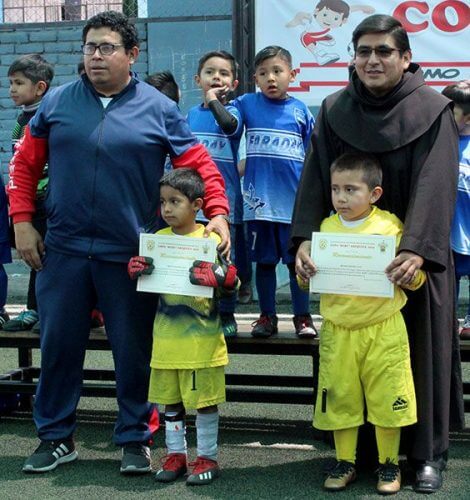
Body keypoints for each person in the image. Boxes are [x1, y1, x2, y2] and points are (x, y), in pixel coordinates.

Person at [7, 10, 230, 475]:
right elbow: (24, 166)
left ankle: (135, 438)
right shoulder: (57, 104)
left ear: (132, 54)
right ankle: (55, 437)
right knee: (58, 348)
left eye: (107, 47)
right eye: (90, 47)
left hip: (131, 258)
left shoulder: (159, 108)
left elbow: (200, 168)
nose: (96, 56)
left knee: (134, 354)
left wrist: (219, 214)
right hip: (63, 252)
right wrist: (22, 222)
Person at [292, 14, 464, 493]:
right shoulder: (333, 109)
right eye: (363, 50)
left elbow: (437, 184)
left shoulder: (434, 110)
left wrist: (415, 249)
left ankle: (426, 455)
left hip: (413, 262)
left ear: (405, 58)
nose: (372, 60)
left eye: (384, 51)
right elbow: (315, 178)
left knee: (422, 353)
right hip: (352, 269)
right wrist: (306, 237)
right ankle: (360, 454)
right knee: (351, 359)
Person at [301, 152, 425, 494]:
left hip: (383, 327)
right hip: (338, 329)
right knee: (340, 396)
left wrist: (408, 274)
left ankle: (389, 464)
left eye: (351, 190)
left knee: (389, 396)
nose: (341, 197)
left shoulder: (391, 227)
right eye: (335, 189)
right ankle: (345, 461)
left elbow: (418, 280)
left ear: (374, 194)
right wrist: (304, 272)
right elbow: (310, 279)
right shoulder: (325, 229)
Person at [128, 168, 238, 485]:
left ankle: (207, 457)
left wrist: (219, 278)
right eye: (163, 202)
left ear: (198, 205)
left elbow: (235, 282)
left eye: (175, 201)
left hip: (202, 342)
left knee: (204, 403)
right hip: (165, 340)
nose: (167, 209)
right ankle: (176, 455)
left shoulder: (211, 239)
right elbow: (146, 283)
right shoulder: (155, 241)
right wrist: (135, 269)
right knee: (171, 403)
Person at [232, 45, 316, 338]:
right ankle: (267, 316)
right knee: (264, 264)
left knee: (298, 265)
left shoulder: (301, 111)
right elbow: (228, 125)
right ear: (254, 78)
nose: (271, 78)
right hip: (259, 207)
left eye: (277, 71)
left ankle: (302, 318)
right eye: (263, 73)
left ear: (292, 75)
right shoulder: (245, 104)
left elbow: (313, 157)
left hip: (294, 209)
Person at [187, 50, 245, 337]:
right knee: (198, 258)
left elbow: (229, 127)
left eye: (223, 73)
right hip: (193, 204)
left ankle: (227, 312)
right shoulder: (190, 116)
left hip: (226, 202)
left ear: (233, 83)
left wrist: (212, 101)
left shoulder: (234, 111)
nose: (216, 77)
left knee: (225, 261)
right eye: (210, 72)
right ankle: (199, 311)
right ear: (198, 79)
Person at [3, 54, 54, 334]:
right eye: (11, 82)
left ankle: (41, 310)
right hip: (28, 201)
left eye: (18, 83)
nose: (12, 89)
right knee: (33, 255)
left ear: (40, 88)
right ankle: (34, 309)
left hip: (46, 200)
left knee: (45, 256)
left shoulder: (46, 118)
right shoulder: (22, 117)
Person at [442, 81, 470, 339]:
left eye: (452, 114)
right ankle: (447, 319)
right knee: (449, 277)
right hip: (448, 228)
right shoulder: (439, 143)